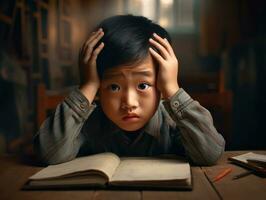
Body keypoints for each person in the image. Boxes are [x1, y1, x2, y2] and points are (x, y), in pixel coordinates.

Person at [33, 15, 225, 166]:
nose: (129, 103)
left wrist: (172, 88)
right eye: (114, 87)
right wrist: (88, 85)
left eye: (143, 85)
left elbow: (209, 154)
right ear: (100, 87)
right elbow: (48, 154)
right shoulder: (87, 125)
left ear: (160, 82)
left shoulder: (173, 123)